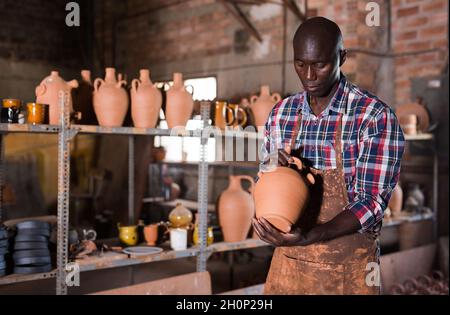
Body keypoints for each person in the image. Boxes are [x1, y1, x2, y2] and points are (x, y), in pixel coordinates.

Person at [252, 16, 405, 295]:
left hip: (349, 272)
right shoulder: (281, 114)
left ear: (341, 57)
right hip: (289, 268)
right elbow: (264, 176)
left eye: (320, 65)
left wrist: (310, 236)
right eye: (301, 64)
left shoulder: (373, 117)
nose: (309, 76)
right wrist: (273, 168)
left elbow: (371, 203)